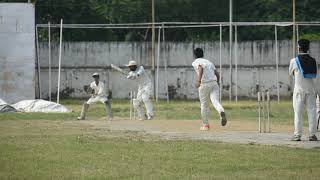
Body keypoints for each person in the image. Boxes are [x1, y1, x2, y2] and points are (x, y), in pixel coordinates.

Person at [289, 39, 318, 141]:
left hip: (299, 91)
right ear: (308, 48)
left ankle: (297, 135)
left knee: (298, 113)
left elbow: (291, 73)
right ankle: (312, 135)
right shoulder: (313, 61)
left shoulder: (294, 61)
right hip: (311, 90)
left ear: (298, 47)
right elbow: (314, 75)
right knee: (312, 112)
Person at [192, 48, 227, 131]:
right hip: (214, 83)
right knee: (215, 101)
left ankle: (205, 125)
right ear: (203, 54)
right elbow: (217, 74)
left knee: (204, 105)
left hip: (204, 84)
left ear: (195, 55)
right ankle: (221, 111)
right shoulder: (209, 62)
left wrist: (198, 80)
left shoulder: (196, 62)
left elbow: (200, 68)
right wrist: (217, 82)